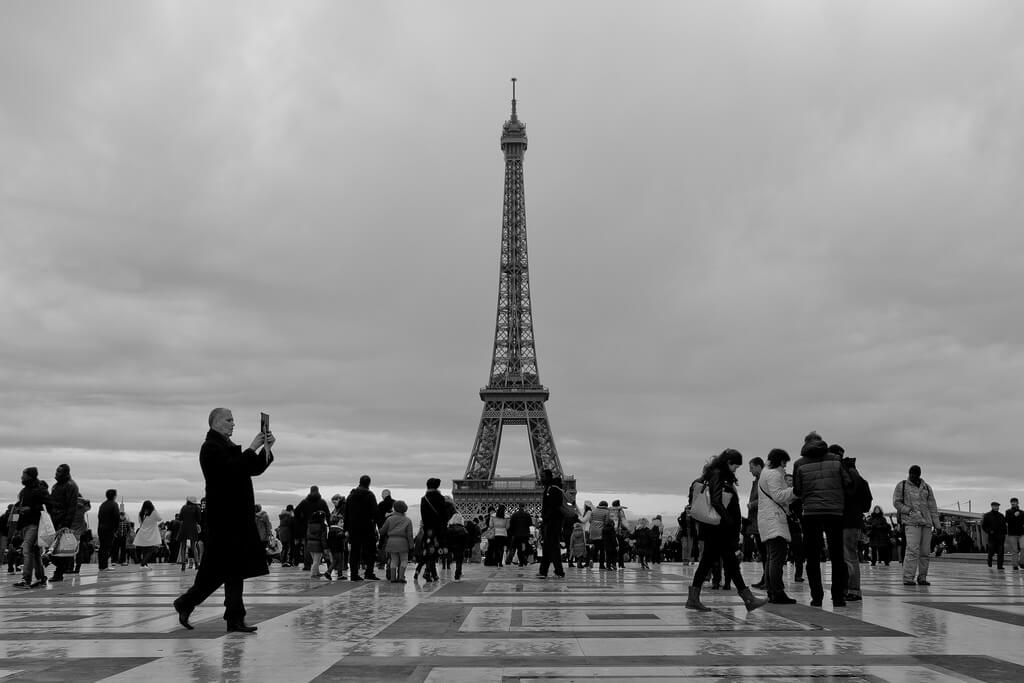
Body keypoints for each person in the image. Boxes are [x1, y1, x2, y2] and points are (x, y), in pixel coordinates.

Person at [173, 407, 275, 633]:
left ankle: (233, 617)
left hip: (235, 517)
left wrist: (266, 449)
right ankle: (189, 603)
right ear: (216, 422)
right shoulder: (210, 447)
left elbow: (252, 469)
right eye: (229, 420)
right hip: (224, 519)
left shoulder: (226, 446)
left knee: (233, 569)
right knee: (218, 571)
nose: (233, 423)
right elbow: (231, 470)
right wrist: (252, 448)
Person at [685, 449, 767, 612]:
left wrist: (738, 519)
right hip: (719, 529)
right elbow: (716, 501)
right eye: (735, 466)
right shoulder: (718, 475)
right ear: (729, 462)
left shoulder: (717, 474)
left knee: (718, 562)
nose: (736, 469)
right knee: (727, 562)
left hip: (717, 528)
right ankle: (748, 599)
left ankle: (694, 598)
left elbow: (723, 502)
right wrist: (729, 520)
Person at [792, 432, 849, 607]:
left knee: (812, 556)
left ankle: (816, 597)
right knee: (837, 555)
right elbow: (847, 482)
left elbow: (797, 490)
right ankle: (838, 597)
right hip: (834, 511)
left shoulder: (799, 463)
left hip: (811, 512)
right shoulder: (836, 459)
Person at [757, 449, 797, 604]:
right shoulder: (774, 474)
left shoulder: (766, 472)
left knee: (771, 557)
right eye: (785, 462)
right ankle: (777, 591)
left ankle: (772, 591)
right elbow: (778, 496)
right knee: (777, 557)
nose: (785, 466)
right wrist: (795, 491)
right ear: (780, 460)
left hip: (768, 518)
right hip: (774, 519)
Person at [893, 464, 939, 586]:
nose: (913, 476)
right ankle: (908, 577)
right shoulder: (902, 485)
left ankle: (922, 577)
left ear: (919, 474)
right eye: (912, 473)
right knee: (912, 550)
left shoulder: (926, 487)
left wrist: (937, 524)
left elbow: (932, 506)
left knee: (925, 552)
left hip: (926, 523)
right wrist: (908, 511)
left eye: (916, 474)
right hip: (911, 522)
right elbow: (897, 502)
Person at [837, 448, 872, 601]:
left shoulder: (843, 474)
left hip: (845, 519)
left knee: (848, 556)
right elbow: (867, 501)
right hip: (854, 519)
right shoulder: (857, 475)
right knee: (850, 555)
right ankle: (851, 589)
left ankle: (852, 590)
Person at [13, 467, 50, 588]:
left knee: (27, 549)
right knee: (34, 552)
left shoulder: (39, 490)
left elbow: (48, 504)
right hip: (25, 524)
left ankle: (26, 579)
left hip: (34, 524)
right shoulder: (24, 491)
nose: (21, 477)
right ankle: (41, 578)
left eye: (23, 475)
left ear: (30, 476)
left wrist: (31, 509)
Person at [48, 463, 80, 582]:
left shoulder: (71, 486)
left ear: (65, 473)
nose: (56, 473)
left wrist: (66, 523)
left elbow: (72, 506)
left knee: (60, 548)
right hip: (54, 520)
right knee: (54, 548)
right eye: (56, 471)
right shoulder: (56, 486)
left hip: (62, 521)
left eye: (59, 471)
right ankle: (59, 570)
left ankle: (59, 572)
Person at [345, 475, 379, 581]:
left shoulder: (351, 496)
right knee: (370, 552)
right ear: (369, 483)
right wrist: (377, 525)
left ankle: (354, 574)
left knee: (354, 552)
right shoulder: (370, 495)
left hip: (354, 528)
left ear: (359, 482)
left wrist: (346, 529)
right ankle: (369, 573)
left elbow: (346, 513)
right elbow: (375, 512)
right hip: (367, 528)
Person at [537, 470, 566, 579]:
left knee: (552, 547)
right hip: (552, 522)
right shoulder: (552, 488)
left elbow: (553, 507)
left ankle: (557, 572)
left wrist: (545, 519)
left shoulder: (552, 489)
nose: (541, 478)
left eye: (542, 476)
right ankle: (544, 571)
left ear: (549, 477)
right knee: (549, 547)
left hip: (552, 523)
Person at [747, 457, 767, 589]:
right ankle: (765, 578)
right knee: (762, 552)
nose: (750, 471)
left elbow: (765, 498)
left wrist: (752, 504)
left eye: (752, 467)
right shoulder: (757, 481)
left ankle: (768, 579)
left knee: (766, 552)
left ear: (759, 466)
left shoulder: (764, 480)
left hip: (762, 520)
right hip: (756, 521)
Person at [134, 500, 162, 568]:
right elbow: (159, 519)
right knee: (152, 549)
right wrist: (155, 510)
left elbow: (140, 522)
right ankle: (143, 564)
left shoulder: (141, 513)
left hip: (143, 532)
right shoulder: (153, 512)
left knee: (145, 549)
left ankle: (145, 564)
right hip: (151, 533)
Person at [97, 489, 119, 572]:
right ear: (114, 496)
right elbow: (116, 518)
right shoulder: (114, 504)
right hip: (109, 529)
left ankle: (101, 566)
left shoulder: (103, 504)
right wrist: (115, 530)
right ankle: (104, 566)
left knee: (102, 547)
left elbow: (99, 516)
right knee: (107, 547)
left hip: (101, 528)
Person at [982, 501, 1007, 570]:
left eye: (997, 506)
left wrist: (1004, 534)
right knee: (991, 550)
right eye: (995, 506)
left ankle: (1000, 566)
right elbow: (984, 526)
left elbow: (1004, 526)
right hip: (992, 537)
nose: (996, 507)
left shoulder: (1001, 515)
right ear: (992, 507)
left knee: (1000, 552)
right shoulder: (987, 515)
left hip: (1000, 537)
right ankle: (989, 559)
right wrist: (989, 531)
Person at [178, 496, 201, 570]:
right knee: (193, 546)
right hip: (193, 528)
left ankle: (183, 565)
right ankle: (197, 564)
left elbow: (180, 518)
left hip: (184, 527)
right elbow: (199, 519)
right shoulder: (197, 508)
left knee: (183, 546)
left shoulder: (184, 507)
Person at [445, 512, 469, 581]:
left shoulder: (449, 529)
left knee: (451, 559)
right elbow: (466, 540)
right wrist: (466, 547)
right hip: (460, 547)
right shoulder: (463, 529)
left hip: (451, 547)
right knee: (459, 561)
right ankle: (457, 575)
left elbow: (446, 539)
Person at [305, 509, 329, 579]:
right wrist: (325, 547)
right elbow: (323, 538)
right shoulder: (323, 526)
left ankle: (317, 573)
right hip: (318, 544)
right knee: (316, 561)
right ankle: (313, 574)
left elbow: (307, 535)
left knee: (315, 560)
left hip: (310, 543)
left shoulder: (310, 524)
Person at [589, 501, 611, 569]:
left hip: (593, 531)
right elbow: (607, 522)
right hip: (601, 532)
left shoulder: (593, 510)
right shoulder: (606, 512)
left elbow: (590, 520)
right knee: (602, 549)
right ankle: (601, 565)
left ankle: (591, 559)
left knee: (595, 548)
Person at [1006, 498, 1024, 571]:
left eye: (1015, 502)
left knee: (1023, 548)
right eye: (1012, 502)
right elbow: (1007, 521)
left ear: (1017, 503)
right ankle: (1015, 565)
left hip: (1021, 533)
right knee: (1015, 550)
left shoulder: (1022, 512)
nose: (1013, 503)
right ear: (1011, 503)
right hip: (1012, 534)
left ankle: (1022, 563)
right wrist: (1014, 515)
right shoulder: (1008, 511)